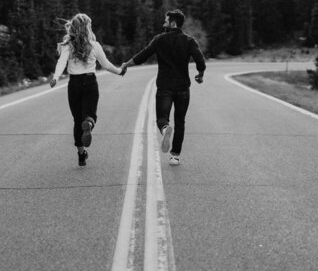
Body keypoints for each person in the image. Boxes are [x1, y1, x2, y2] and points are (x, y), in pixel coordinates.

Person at [122, 9, 205, 166]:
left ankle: (165, 128)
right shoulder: (189, 40)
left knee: (162, 119)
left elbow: (143, 56)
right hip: (183, 89)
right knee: (180, 122)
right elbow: (200, 61)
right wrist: (200, 75)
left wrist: (126, 64)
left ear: (173, 23)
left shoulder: (159, 39)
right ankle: (175, 156)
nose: (163, 24)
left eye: (165, 21)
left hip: (165, 87)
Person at [50, 13, 125, 166]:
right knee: (89, 115)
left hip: (74, 84)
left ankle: (81, 154)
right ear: (86, 28)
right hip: (90, 82)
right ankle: (89, 124)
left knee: (77, 120)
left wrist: (56, 77)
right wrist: (120, 71)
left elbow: (61, 62)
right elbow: (106, 65)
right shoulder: (94, 45)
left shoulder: (67, 45)